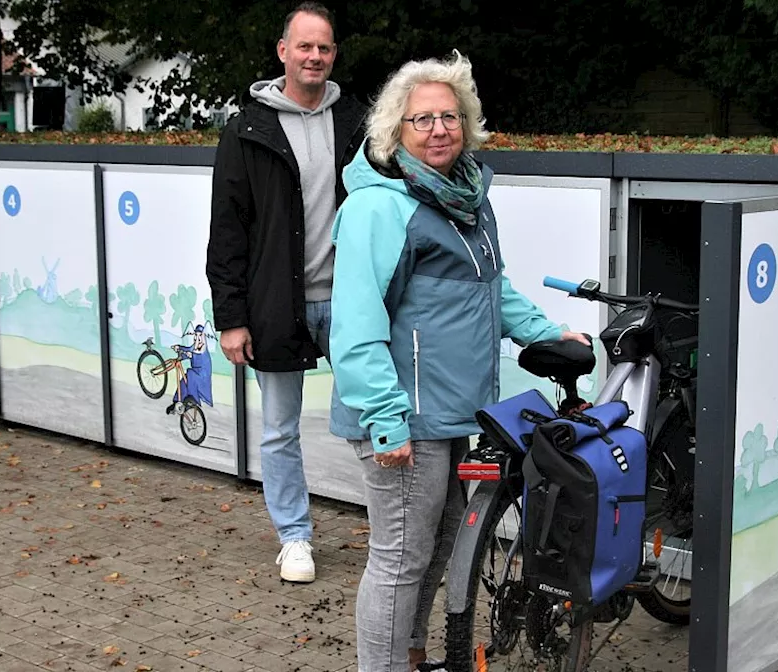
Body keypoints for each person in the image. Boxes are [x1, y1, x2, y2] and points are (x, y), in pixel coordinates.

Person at [327, 50, 590, 672]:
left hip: (449, 411)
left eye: (449, 117)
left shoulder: (468, 196)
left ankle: (411, 656)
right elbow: (357, 322)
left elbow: (489, 287)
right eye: (422, 120)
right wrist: (386, 419)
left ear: (466, 123)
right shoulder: (380, 206)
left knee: (435, 547)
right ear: (396, 130)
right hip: (402, 416)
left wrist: (548, 332)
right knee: (398, 558)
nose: (438, 129)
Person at [205, 1, 368, 584]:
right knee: (279, 429)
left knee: (375, 421)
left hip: (351, 302)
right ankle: (294, 537)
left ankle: (393, 531)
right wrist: (232, 317)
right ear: (282, 52)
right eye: (304, 46)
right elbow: (228, 229)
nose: (315, 57)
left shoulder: (359, 123)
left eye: (324, 47)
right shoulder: (248, 129)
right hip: (276, 303)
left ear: (333, 55)